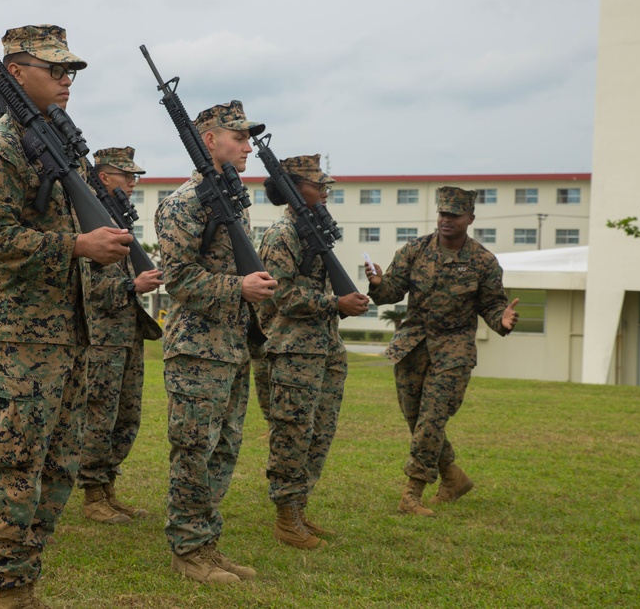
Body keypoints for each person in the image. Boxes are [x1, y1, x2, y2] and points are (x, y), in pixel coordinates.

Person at [0, 24, 132, 609]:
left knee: (56, 470)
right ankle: (10, 590)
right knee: (15, 469)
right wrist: (78, 247)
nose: (65, 78)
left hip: (66, 334)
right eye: (54, 68)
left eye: (70, 69)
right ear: (15, 73)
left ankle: (28, 576)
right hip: (13, 338)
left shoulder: (61, 146)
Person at [155, 100, 277, 584]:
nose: (248, 146)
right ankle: (187, 551)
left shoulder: (230, 199)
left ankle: (207, 542)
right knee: (194, 450)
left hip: (231, 347)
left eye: (248, 138)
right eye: (239, 137)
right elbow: (178, 278)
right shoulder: (185, 203)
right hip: (196, 348)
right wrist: (239, 289)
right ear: (210, 140)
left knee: (223, 450)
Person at [365, 186, 519, 517]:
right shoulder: (416, 250)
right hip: (413, 345)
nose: (446, 219)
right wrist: (378, 284)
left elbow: (492, 305)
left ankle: (412, 493)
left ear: (470, 218)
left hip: (454, 349)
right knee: (416, 418)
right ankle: (453, 477)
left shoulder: (483, 261)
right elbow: (392, 290)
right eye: (442, 213)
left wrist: (502, 320)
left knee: (432, 418)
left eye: (454, 214)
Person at [254, 154, 370, 548]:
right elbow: (280, 295)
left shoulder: (312, 232)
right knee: (292, 434)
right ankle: (286, 519)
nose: (324, 191)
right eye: (317, 185)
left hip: (325, 348)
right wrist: (335, 303)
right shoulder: (281, 235)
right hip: (291, 351)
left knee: (319, 433)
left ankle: (299, 510)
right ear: (294, 189)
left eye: (325, 185)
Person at [78, 147, 163, 524]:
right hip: (101, 338)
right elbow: (86, 288)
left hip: (127, 333)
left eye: (134, 176)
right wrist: (133, 286)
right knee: (99, 415)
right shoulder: (87, 220)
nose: (132, 182)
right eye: (124, 174)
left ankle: (109, 488)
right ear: (102, 176)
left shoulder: (116, 218)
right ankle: (93, 494)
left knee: (127, 416)